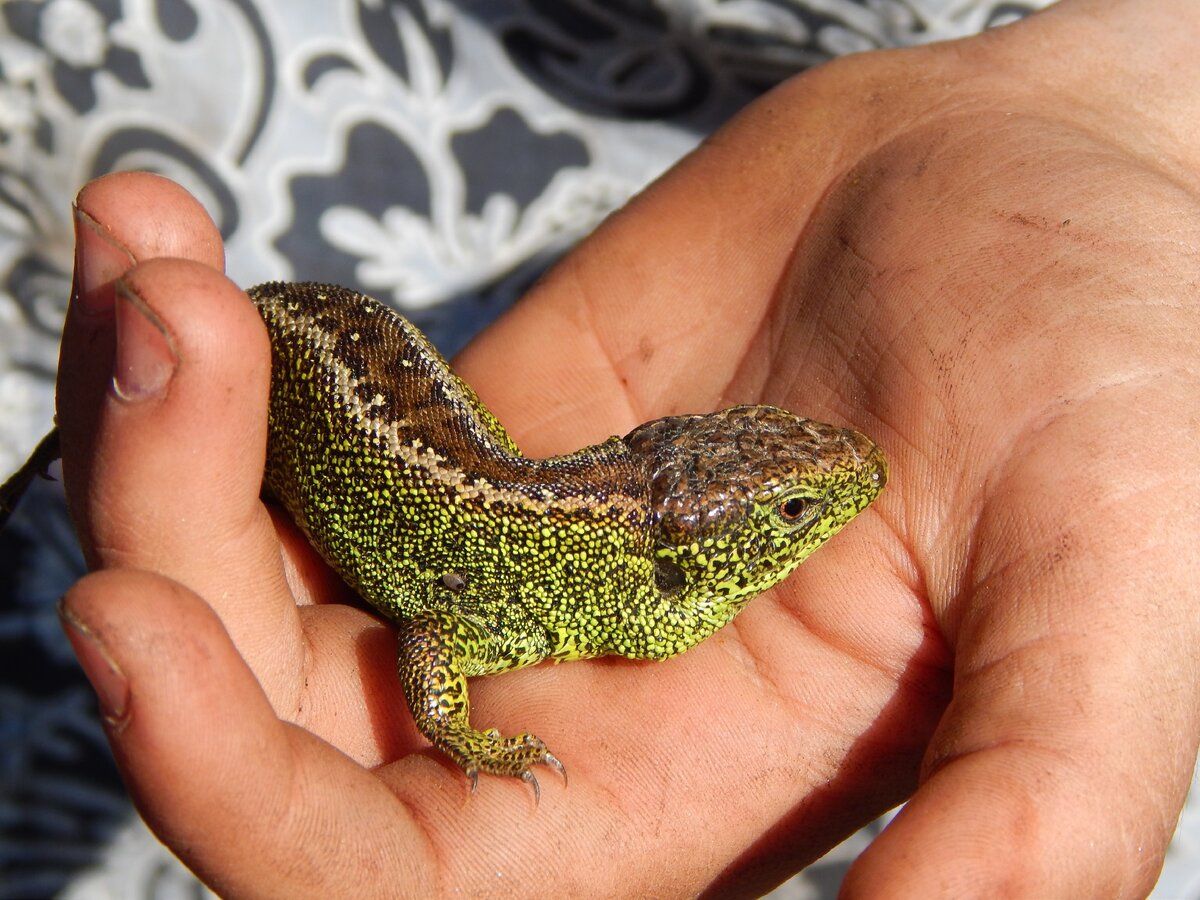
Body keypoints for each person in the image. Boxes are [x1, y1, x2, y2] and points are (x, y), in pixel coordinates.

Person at [51, 0, 1199, 895]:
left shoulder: (570, 549)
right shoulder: (530, 588)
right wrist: (451, 736)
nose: (834, 492)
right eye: (790, 514)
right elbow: (435, 637)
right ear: (694, 548)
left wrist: (1117, 105)